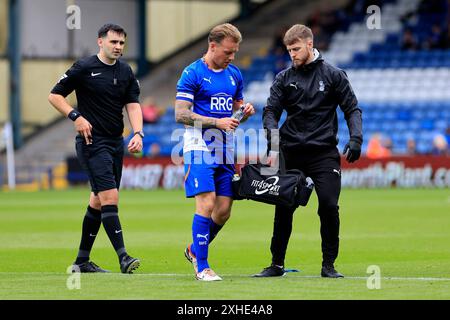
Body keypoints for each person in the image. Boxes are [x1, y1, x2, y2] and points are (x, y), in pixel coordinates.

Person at [255, 24, 363, 278]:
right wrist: (272, 137)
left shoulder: (334, 75)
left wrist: (356, 138)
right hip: (290, 152)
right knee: (284, 207)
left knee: (328, 205)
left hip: (324, 153)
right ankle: (276, 264)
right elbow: (271, 111)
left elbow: (352, 109)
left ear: (310, 44)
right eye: (289, 50)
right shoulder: (283, 78)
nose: (292, 54)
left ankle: (328, 265)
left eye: (296, 48)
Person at [48, 24, 143, 274]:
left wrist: (138, 132)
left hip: (115, 143)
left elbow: (132, 104)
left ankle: (81, 261)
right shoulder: (84, 67)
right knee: (110, 197)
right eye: (113, 42)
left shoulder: (125, 71)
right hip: (92, 143)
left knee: (98, 202)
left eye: (122, 43)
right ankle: (124, 257)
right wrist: (76, 117)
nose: (118, 47)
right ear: (100, 42)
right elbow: (55, 96)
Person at [175, 23, 255, 281]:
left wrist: (243, 115)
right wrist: (216, 122)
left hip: (225, 150)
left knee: (223, 211)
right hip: (199, 146)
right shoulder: (192, 73)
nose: (232, 57)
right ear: (213, 46)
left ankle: (193, 249)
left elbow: (234, 112)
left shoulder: (234, 75)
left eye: (234, 52)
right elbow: (181, 114)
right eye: (228, 52)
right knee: (207, 203)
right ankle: (202, 267)